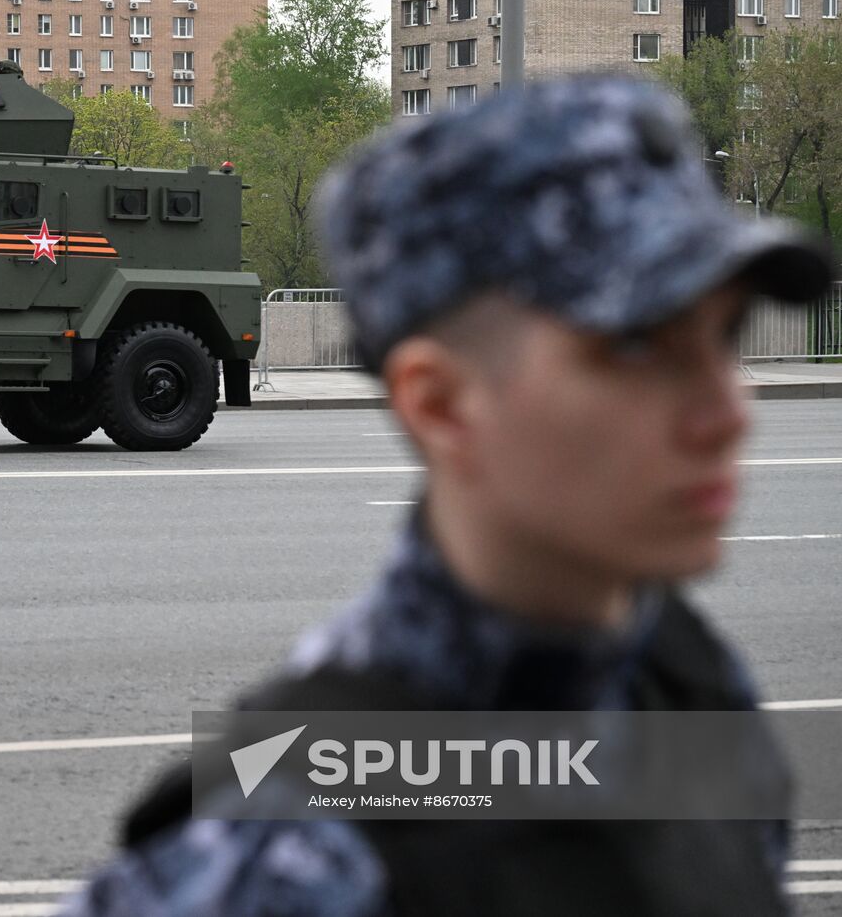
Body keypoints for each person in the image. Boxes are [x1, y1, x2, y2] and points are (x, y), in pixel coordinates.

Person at [57, 76, 834, 916]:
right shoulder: (285, 855)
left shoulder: (687, 676)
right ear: (441, 405)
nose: (728, 412)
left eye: (727, 333)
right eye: (640, 345)